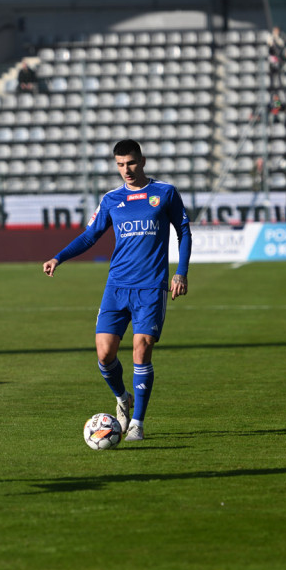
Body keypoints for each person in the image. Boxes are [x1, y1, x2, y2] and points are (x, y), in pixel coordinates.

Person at [42, 139, 192, 441]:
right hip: (117, 285)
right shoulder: (111, 199)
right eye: (121, 165)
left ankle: (137, 423)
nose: (127, 170)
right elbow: (90, 236)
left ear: (143, 161)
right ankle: (123, 399)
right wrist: (59, 257)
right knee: (105, 353)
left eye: (132, 163)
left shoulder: (164, 193)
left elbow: (184, 231)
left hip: (151, 286)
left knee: (142, 348)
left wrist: (181, 273)